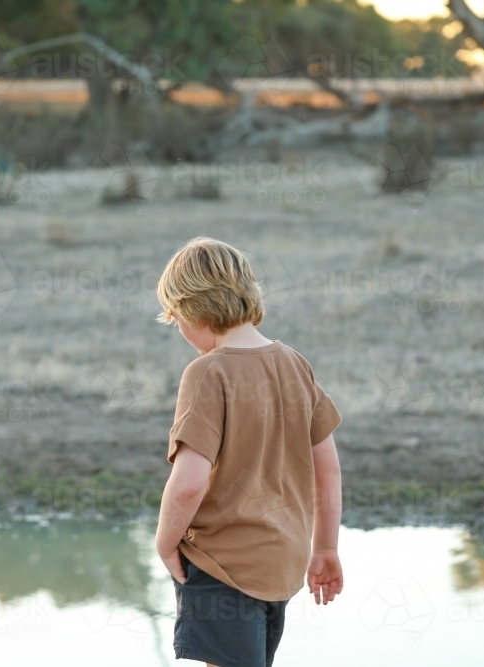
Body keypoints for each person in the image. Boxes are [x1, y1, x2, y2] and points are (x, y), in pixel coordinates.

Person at [154, 237, 344, 667]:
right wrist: (325, 549)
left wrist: (165, 543)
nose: (180, 331)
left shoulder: (208, 372)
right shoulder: (295, 363)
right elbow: (328, 472)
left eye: (175, 318)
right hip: (282, 564)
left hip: (222, 568)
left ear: (191, 308)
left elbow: (187, 485)